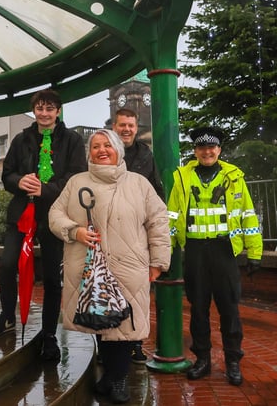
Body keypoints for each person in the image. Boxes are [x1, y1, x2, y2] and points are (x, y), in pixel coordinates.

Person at [49, 129, 170, 403]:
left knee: (124, 325)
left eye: (107, 145)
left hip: (130, 266)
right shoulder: (76, 182)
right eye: (95, 146)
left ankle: (117, 379)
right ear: (88, 153)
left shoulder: (139, 183)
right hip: (88, 268)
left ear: (119, 150)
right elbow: (55, 214)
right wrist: (74, 231)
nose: (101, 150)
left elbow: (158, 221)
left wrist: (159, 262)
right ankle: (110, 379)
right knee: (101, 320)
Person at [0, 89, 88, 362]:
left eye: (49, 108)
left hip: (55, 213)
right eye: (40, 108)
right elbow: (7, 175)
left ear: (58, 111)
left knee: (52, 276)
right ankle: (7, 316)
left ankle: (49, 333)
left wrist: (47, 189)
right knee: (6, 265)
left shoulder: (73, 140)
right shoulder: (21, 140)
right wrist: (19, 181)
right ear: (35, 110)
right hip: (22, 212)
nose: (44, 113)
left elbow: (76, 177)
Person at [166, 126, 263, 386]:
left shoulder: (234, 178)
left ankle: (233, 361)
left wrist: (254, 252)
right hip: (196, 252)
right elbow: (172, 217)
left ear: (219, 150)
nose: (207, 152)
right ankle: (203, 360)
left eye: (211, 147)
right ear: (195, 151)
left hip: (224, 252)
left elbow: (248, 215)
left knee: (229, 309)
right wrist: (166, 251)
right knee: (198, 310)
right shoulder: (183, 178)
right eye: (201, 148)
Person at [111, 107, 164, 364]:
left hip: (136, 236)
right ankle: (107, 346)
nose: (127, 129)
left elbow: (156, 192)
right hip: (110, 235)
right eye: (122, 125)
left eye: (131, 125)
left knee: (137, 294)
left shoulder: (145, 154)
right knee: (110, 292)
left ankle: (135, 344)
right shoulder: (106, 152)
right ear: (114, 126)